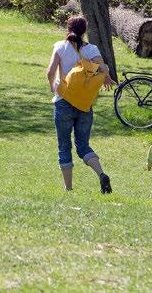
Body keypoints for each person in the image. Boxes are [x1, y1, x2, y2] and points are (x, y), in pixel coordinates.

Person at [47, 15, 114, 193]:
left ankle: (68, 188)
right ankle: (101, 174)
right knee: (83, 145)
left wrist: (54, 88)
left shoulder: (60, 47)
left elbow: (50, 72)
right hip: (85, 104)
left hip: (63, 102)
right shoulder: (91, 49)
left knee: (64, 145)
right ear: (85, 31)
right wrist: (106, 76)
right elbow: (104, 67)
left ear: (67, 28)